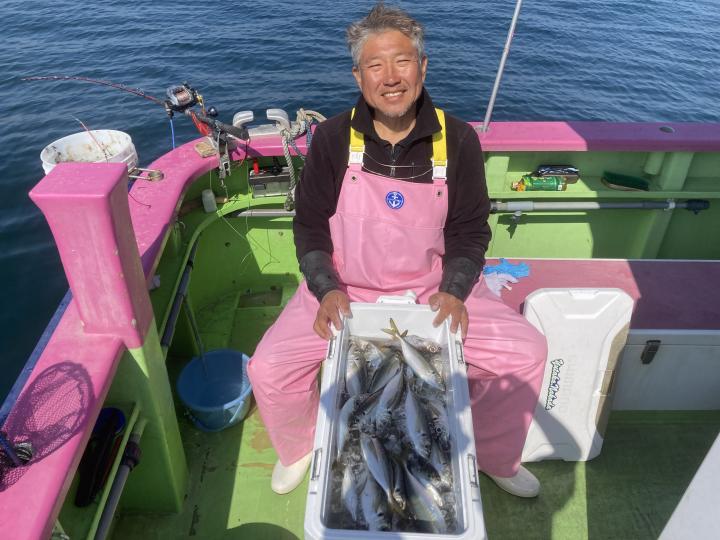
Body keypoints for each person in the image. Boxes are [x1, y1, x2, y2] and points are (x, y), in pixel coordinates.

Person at [247, 3, 547, 498]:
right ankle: (299, 446)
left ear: (422, 67)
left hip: (434, 290)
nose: (390, 77)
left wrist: (455, 290)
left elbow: (470, 231)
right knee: (268, 367)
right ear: (358, 76)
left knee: (525, 352)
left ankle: (495, 456)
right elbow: (310, 226)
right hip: (343, 290)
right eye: (375, 65)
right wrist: (324, 288)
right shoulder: (332, 137)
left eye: (402, 61)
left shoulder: (459, 139)